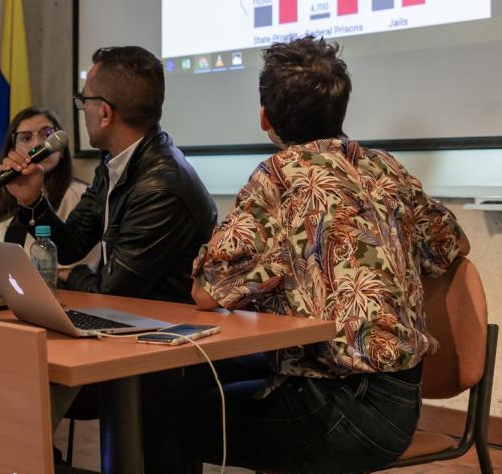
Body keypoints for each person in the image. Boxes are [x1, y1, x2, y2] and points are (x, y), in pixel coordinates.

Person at [187, 36, 469, 474]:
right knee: (215, 378)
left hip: (342, 409)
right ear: (341, 111)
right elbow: (453, 245)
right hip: (400, 402)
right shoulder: (385, 167)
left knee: (170, 415)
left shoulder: (279, 177)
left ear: (265, 117)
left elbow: (206, 292)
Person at [0, 45, 217, 302]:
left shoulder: (161, 187)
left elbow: (112, 293)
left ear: (104, 113)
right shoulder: (114, 161)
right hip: (132, 317)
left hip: (162, 323)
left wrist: (70, 275)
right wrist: (32, 201)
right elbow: (72, 245)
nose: (83, 111)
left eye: (83, 101)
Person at [0, 106, 100, 281]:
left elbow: (73, 270)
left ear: (61, 149)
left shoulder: (80, 194)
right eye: (26, 137)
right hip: (3, 292)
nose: (37, 144)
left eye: (47, 134)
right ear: (12, 149)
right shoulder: (3, 193)